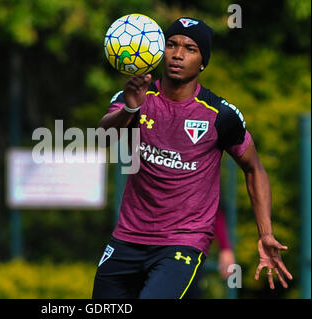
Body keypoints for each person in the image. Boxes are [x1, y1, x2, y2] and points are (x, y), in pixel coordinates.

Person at [92, 17, 292, 299]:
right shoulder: (135, 97)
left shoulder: (220, 115)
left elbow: (254, 168)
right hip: (127, 238)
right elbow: (102, 137)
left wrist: (266, 232)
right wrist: (129, 108)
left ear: (202, 62)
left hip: (182, 243)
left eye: (190, 48)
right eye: (171, 45)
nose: (177, 54)